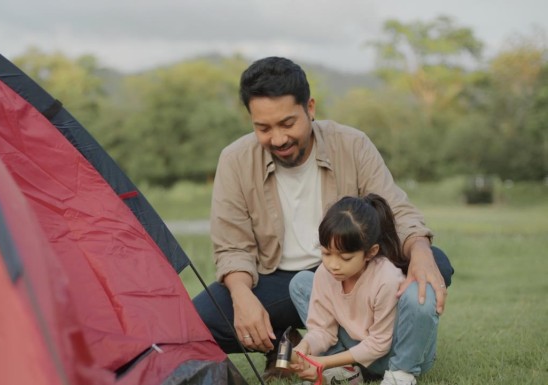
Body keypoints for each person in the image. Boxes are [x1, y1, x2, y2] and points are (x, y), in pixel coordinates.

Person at [191, 56, 453, 381]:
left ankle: (388, 354)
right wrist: (242, 297)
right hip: (277, 281)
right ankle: (286, 342)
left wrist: (421, 252)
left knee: (434, 265)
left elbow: (396, 211)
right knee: (199, 320)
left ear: (310, 108)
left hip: (353, 269)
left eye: (288, 124)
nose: (278, 139)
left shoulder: (352, 144)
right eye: (263, 128)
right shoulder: (234, 160)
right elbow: (232, 247)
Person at [290, 194, 430, 385]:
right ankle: (346, 371)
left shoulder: (386, 278)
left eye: (345, 258)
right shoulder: (326, 273)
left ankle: (401, 375)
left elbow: (380, 344)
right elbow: (323, 330)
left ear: (370, 252)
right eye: (326, 253)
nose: (333, 265)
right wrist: (305, 345)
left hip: (390, 355)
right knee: (301, 281)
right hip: (356, 349)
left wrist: (323, 362)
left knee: (419, 295)